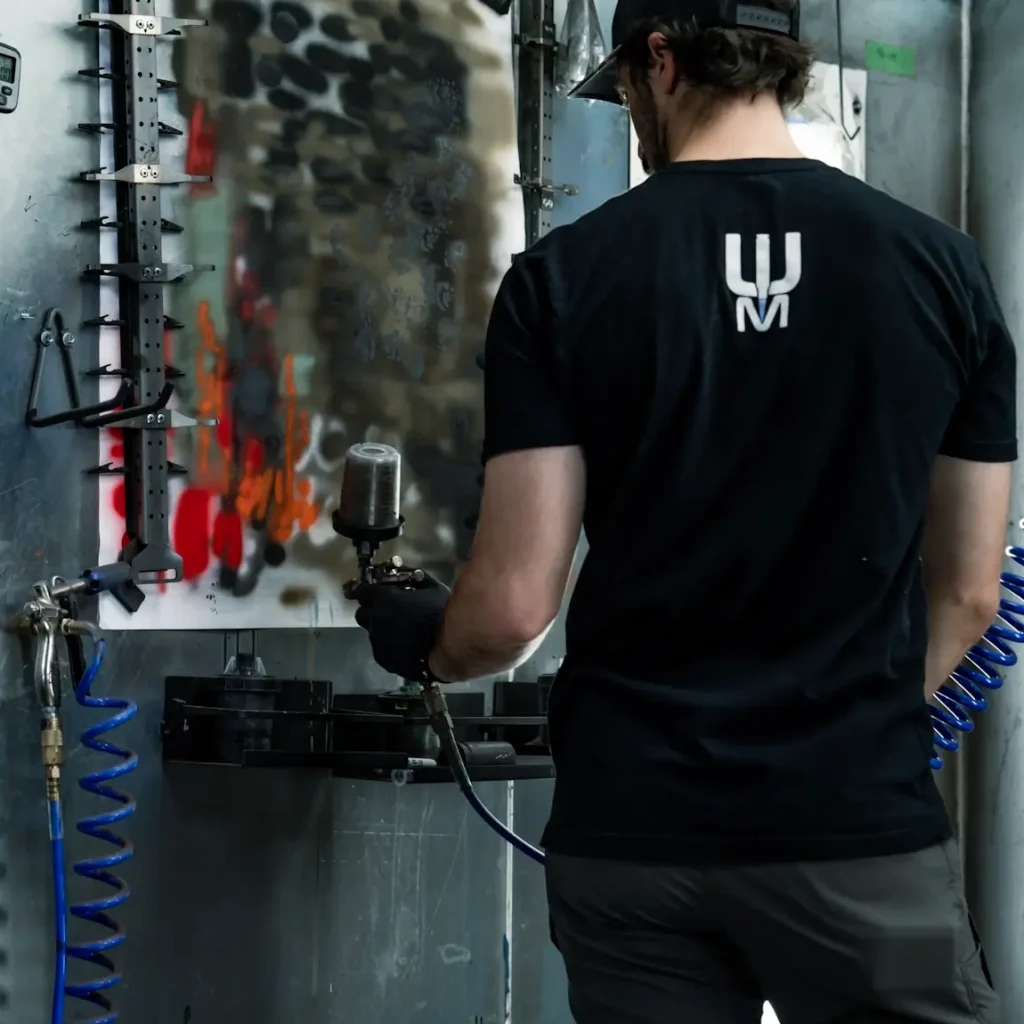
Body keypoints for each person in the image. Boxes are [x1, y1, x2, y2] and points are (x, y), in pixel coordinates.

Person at [353, 0, 1016, 1020]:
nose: (629, 111)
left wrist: (427, 645)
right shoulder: (942, 269)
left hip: (636, 830)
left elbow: (512, 607)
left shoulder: (564, 279)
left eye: (622, 88)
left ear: (659, 62)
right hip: (850, 825)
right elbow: (971, 591)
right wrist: (845, 726)